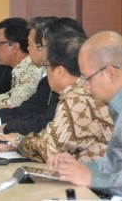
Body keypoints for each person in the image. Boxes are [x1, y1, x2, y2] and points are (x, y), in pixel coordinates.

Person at [0, 32, 113, 163]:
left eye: (46, 66)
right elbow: (52, 136)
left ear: (60, 71)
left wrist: (17, 141)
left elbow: (49, 149)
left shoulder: (77, 97)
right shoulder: (82, 93)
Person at [0, 17, 85, 135]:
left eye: (39, 46)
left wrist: (8, 131)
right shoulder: (49, 79)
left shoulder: (73, 89)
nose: (28, 48)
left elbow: (45, 125)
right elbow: (35, 112)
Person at [48, 31, 122, 196]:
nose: (84, 85)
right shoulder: (117, 108)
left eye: (87, 78)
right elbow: (113, 165)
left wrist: (91, 179)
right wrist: (76, 167)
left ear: (110, 73)